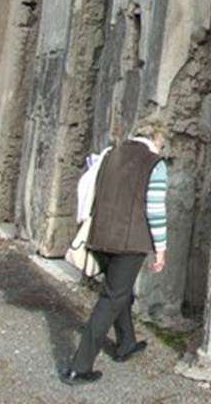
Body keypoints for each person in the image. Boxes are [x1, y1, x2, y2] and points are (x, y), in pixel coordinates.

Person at [60, 119, 169, 385]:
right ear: (157, 139)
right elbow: (155, 210)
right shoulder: (154, 164)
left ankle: (126, 343)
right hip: (130, 242)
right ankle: (80, 366)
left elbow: (87, 188)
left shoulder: (110, 154)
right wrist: (161, 250)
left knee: (118, 291)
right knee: (110, 300)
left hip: (100, 235)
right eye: (163, 143)